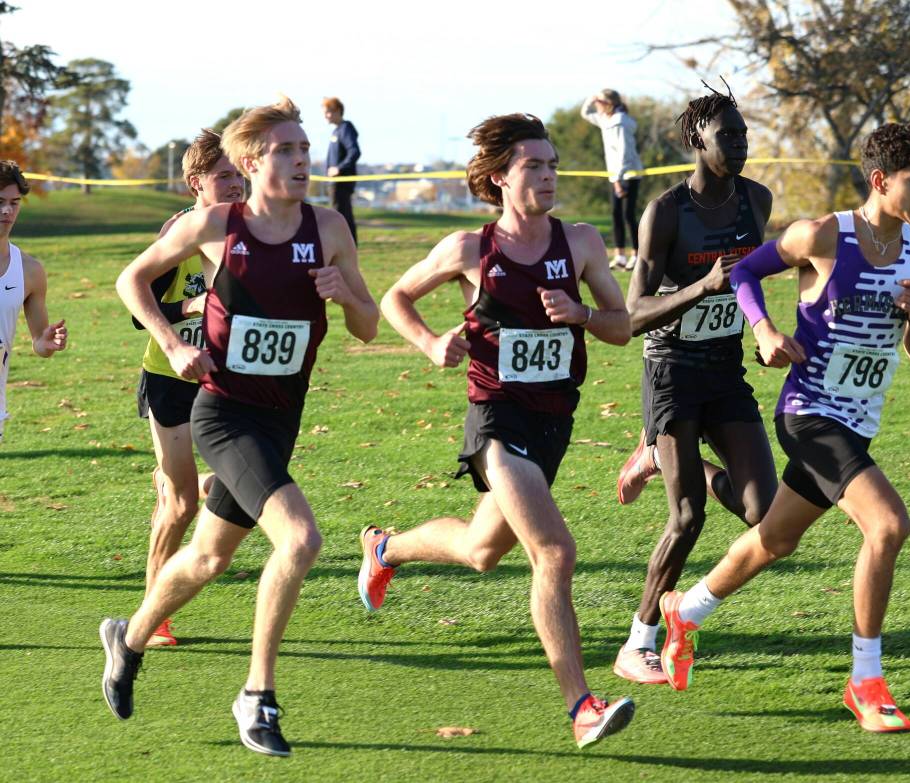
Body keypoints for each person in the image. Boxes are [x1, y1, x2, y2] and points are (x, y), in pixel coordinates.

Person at [101, 97, 379, 757]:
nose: (303, 161)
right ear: (251, 162)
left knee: (206, 557)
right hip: (223, 413)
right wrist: (171, 345)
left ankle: (129, 636)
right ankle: (258, 693)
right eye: (287, 151)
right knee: (302, 539)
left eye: (307, 150)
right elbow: (130, 280)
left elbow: (368, 325)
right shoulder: (216, 224)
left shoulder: (331, 227)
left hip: (281, 417)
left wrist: (347, 295)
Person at [364, 113, 635, 749]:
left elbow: (622, 327)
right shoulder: (468, 250)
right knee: (555, 552)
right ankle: (582, 709)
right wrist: (432, 343)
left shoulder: (584, 243)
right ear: (499, 179)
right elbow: (394, 298)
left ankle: (384, 549)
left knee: (483, 551)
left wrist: (583, 313)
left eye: (552, 166)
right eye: (533, 167)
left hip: (553, 421)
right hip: (495, 419)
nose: (547, 177)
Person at [658, 123, 910, 733]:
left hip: (859, 423)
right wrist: (763, 329)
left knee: (775, 540)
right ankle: (866, 682)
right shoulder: (822, 235)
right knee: (889, 525)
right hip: (809, 413)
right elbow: (742, 275)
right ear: (880, 179)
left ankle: (687, 611)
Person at [610, 84, 777, 685]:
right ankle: (639, 640)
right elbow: (630, 316)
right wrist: (700, 289)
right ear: (696, 142)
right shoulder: (666, 212)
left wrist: (761, 329)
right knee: (687, 517)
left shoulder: (757, 200)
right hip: (672, 369)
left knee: (766, 513)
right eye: (726, 135)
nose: (739, 144)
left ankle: (657, 456)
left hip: (726, 368)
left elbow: (753, 278)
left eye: (743, 134)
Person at [132, 129, 245, 647]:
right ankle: (153, 615)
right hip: (168, 378)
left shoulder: (250, 230)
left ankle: (179, 478)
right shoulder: (179, 233)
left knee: (242, 484)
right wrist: (191, 311)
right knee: (179, 506)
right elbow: (139, 313)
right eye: (224, 176)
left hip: (222, 380)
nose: (235, 185)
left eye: (240, 175)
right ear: (196, 183)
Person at [0, 160, 68, 443]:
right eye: (0, 201)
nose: (7, 210)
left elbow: (40, 344)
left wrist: (46, 342)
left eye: (14, 202)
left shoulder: (29, 270)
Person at [581, 90, 642, 270]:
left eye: (600, 101)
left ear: (609, 103)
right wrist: (590, 98)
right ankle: (620, 256)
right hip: (615, 175)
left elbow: (625, 153)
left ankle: (637, 255)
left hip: (627, 174)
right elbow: (585, 113)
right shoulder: (605, 120)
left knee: (628, 215)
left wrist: (619, 179)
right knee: (616, 215)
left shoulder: (620, 122)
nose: (597, 104)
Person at [323, 97, 361, 245]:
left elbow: (354, 152)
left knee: (342, 217)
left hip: (342, 182)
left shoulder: (345, 128)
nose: (325, 116)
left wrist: (339, 168)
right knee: (340, 216)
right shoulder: (336, 131)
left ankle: (347, 249)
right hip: (335, 183)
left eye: (328, 112)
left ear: (337, 111)